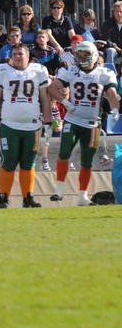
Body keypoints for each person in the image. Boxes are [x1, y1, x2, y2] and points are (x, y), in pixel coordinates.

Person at [49, 42, 120, 206]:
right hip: (73, 120)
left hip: (93, 123)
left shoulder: (104, 73)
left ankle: (82, 196)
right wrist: (65, 103)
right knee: (64, 153)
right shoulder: (70, 71)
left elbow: (112, 94)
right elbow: (52, 88)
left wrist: (115, 109)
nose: (81, 58)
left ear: (94, 55)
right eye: (79, 55)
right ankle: (59, 190)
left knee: (87, 160)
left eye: (85, 54)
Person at [0, 44, 51, 209]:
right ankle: (4, 197)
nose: (17, 57)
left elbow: (45, 99)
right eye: (14, 54)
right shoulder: (2, 70)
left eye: (20, 54)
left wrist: (48, 122)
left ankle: (28, 197)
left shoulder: (39, 71)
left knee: (28, 162)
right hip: (9, 125)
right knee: (9, 161)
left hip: (33, 126)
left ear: (28, 56)